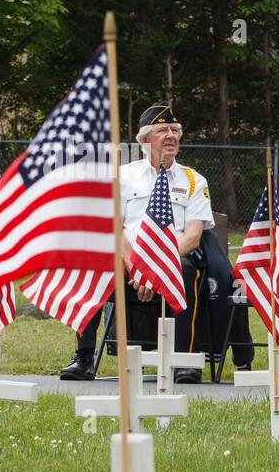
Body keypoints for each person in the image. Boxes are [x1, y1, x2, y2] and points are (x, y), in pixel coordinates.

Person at [59, 102, 246, 382]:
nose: (171, 135)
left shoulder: (194, 180)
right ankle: (84, 357)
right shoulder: (123, 176)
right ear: (145, 140)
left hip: (173, 261)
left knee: (186, 270)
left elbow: (193, 236)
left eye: (175, 130)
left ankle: (185, 361)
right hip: (128, 260)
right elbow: (114, 228)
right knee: (94, 266)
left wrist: (157, 268)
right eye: (162, 130)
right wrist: (137, 266)